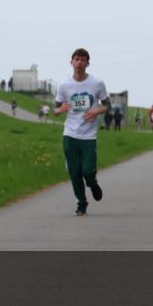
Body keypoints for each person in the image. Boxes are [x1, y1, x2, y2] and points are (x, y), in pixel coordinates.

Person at [54, 48, 110, 216]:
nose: (79, 62)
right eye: (76, 59)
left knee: (88, 171)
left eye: (83, 59)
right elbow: (56, 109)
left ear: (87, 63)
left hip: (89, 136)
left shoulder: (97, 83)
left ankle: (92, 183)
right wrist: (60, 109)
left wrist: (96, 112)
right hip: (70, 134)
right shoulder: (64, 85)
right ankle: (81, 203)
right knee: (75, 171)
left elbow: (108, 106)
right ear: (71, 62)